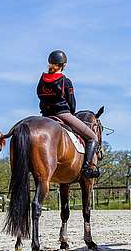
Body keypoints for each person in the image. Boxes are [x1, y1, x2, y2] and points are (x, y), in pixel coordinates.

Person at [37, 50, 100, 178]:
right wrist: (70, 114)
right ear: (63, 65)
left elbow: (40, 96)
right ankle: (87, 168)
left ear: (50, 63)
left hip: (45, 116)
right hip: (62, 114)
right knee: (93, 137)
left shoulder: (42, 80)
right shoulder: (65, 81)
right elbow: (72, 104)